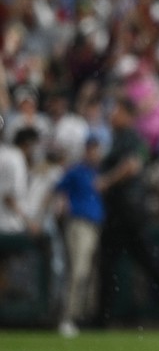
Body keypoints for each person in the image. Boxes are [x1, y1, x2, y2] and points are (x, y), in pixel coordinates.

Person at [95, 96, 159, 329]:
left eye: (118, 111)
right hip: (120, 211)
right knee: (115, 264)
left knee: (140, 264)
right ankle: (103, 318)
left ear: (128, 115)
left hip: (128, 211)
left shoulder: (130, 137)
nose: (113, 116)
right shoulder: (120, 137)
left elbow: (132, 165)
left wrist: (107, 181)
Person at [54, 136, 105, 338]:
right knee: (78, 271)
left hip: (95, 226)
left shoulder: (99, 171)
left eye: (96, 148)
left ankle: (80, 317)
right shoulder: (77, 170)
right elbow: (57, 191)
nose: (93, 152)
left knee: (88, 274)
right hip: (78, 224)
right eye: (90, 148)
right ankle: (67, 318)